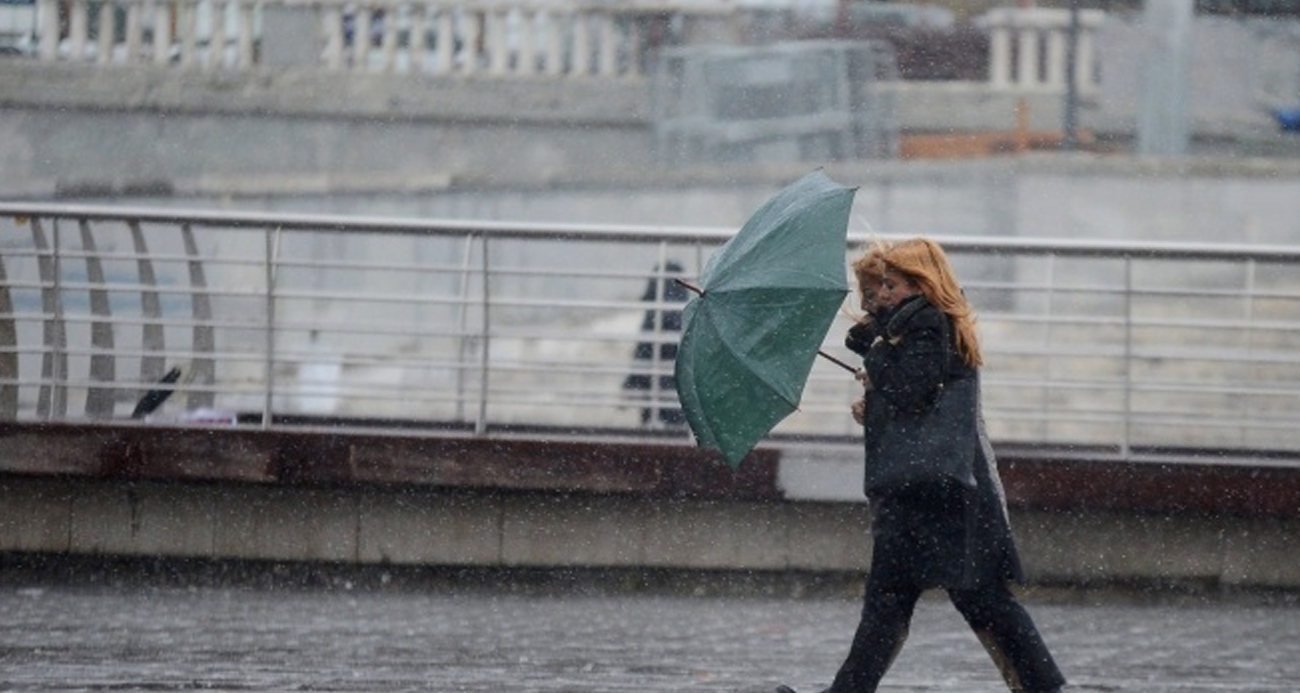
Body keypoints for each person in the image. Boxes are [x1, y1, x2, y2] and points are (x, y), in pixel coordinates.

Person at [778, 238, 1066, 693]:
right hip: (927, 488)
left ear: (921, 283)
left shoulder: (930, 325)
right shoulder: (917, 329)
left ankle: (1046, 687)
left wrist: (876, 364)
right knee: (905, 602)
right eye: (877, 287)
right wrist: (874, 397)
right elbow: (919, 399)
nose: (881, 296)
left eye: (890, 285)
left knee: (968, 599)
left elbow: (912, 390)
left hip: (935, 490)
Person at [622, 260, 689, 426]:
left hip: (656, 396)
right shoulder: (685, 315)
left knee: (656, 423)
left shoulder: (654, 315)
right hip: (680, 398)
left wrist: (630, 386)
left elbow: (643, 354)